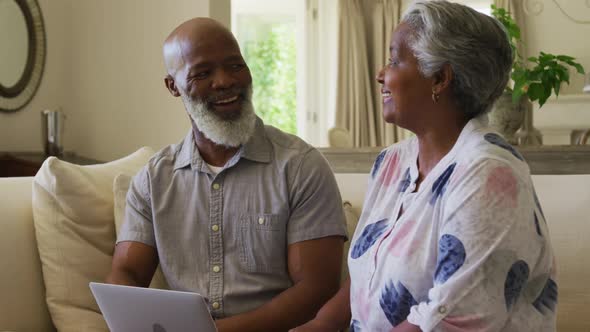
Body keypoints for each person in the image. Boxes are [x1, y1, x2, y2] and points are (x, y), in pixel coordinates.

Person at [292, 1, 557, 331]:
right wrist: (318, 325)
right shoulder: (390, 163)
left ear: (440, 79)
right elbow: (368, 277)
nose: (380, 74)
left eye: (393, 60)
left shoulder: (489, 175)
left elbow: (449, 321)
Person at [106, 17, 348, 332]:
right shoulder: (153, 181)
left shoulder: (300, 167)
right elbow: (126, 274)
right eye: (202, 73)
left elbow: (316, 290)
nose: (224, 81)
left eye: (235, 66)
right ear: (173, 86)